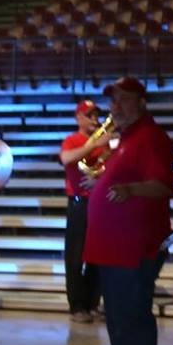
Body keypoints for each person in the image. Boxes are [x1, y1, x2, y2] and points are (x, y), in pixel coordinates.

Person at [83, 77, 173, 345]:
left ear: (141, 102)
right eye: (113, 100)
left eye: (123, 99)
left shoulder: (151, 137)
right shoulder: (128, 138)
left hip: (133, 248)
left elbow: (164, 185)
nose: (115, 106)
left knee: (132, 320)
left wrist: (131, 189)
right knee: (119, 320)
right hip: (113, 248)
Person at [57, 99, 108, 323]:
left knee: (98, 255)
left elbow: (112, 167)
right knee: (76, 256)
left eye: (96, 115)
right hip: (79, 203)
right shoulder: (72, 140)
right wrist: (92, 145)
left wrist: (99, 177)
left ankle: (91, 301)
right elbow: (66, 158)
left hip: (99, 203)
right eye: (89, 115)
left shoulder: (104, 144)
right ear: (79, 118)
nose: (95, 119)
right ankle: (77, 305)